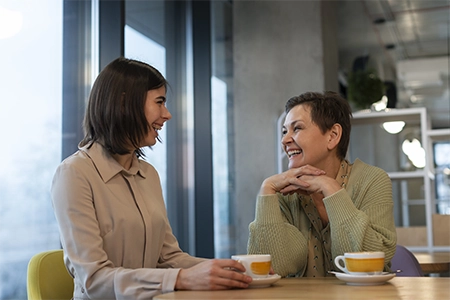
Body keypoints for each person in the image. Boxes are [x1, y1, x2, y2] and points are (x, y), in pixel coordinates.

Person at [51, 57, 252, 299]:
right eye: (159, 102)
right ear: (125, 103)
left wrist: (228, 271)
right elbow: (94, 280)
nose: (167, 115)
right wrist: (181, 278)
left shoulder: (148, 174)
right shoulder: (74, 174)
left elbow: (168, 258)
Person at [247, 91, 397, 277]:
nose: (285, 140)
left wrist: (331, 189)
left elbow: (369, 263)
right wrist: (266, 190)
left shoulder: (372, 180)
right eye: (285, 131)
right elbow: (275, 267)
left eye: (297, 128)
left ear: (332, 135)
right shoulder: (283, 192)